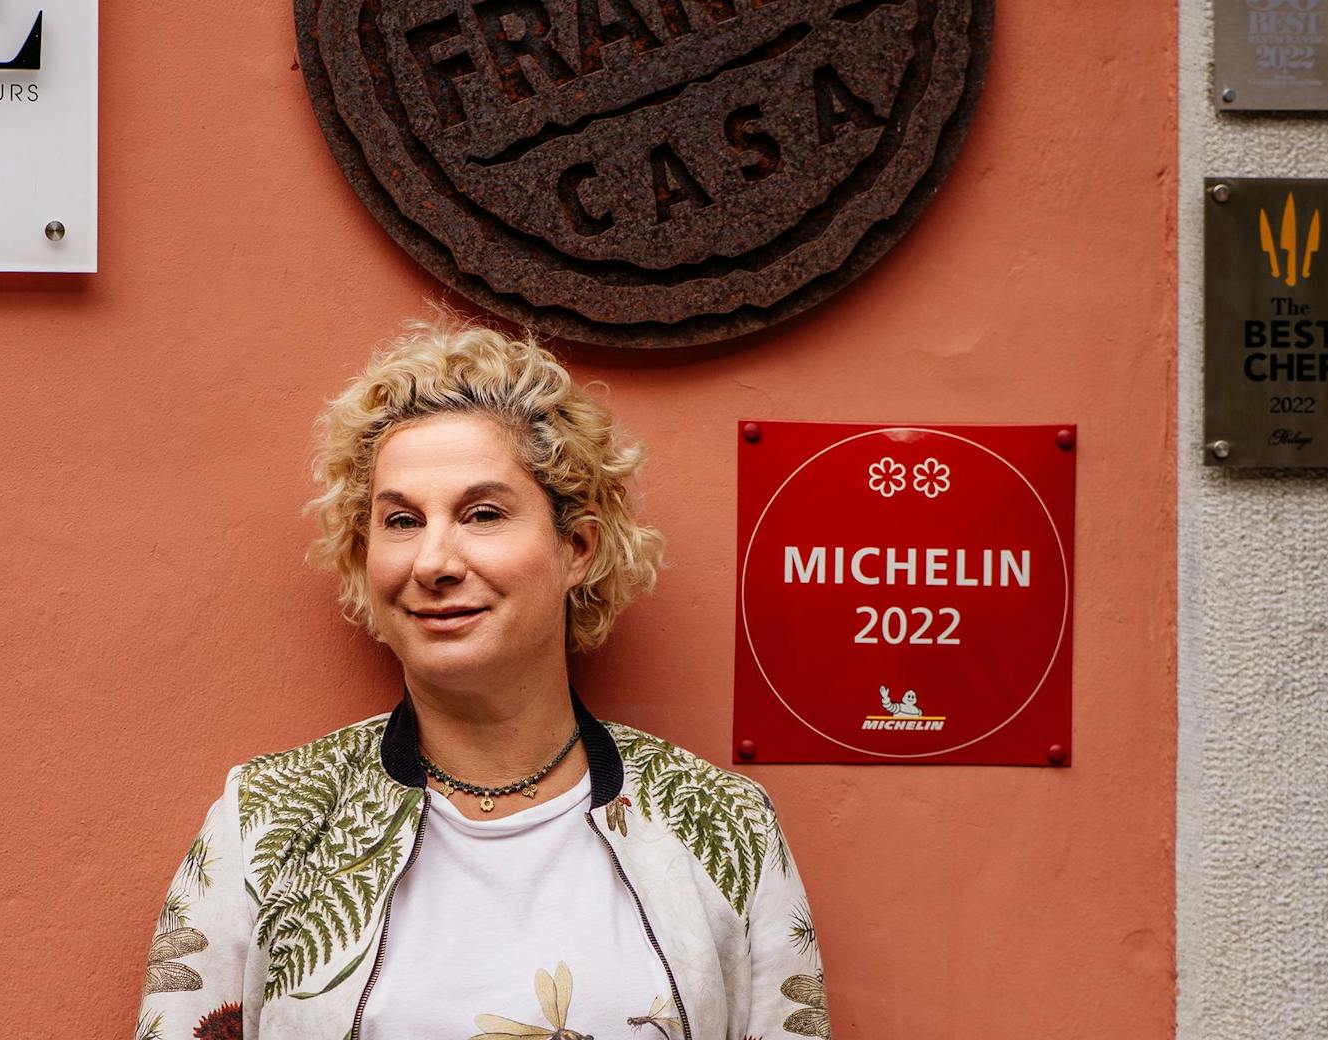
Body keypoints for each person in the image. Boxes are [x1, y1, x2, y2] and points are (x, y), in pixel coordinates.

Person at [136, 321, 829, 1040]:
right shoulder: (265, 819)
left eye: (483, 514)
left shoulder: (724, 824)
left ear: (578, 547)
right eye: (401, 520)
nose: (433, 560)